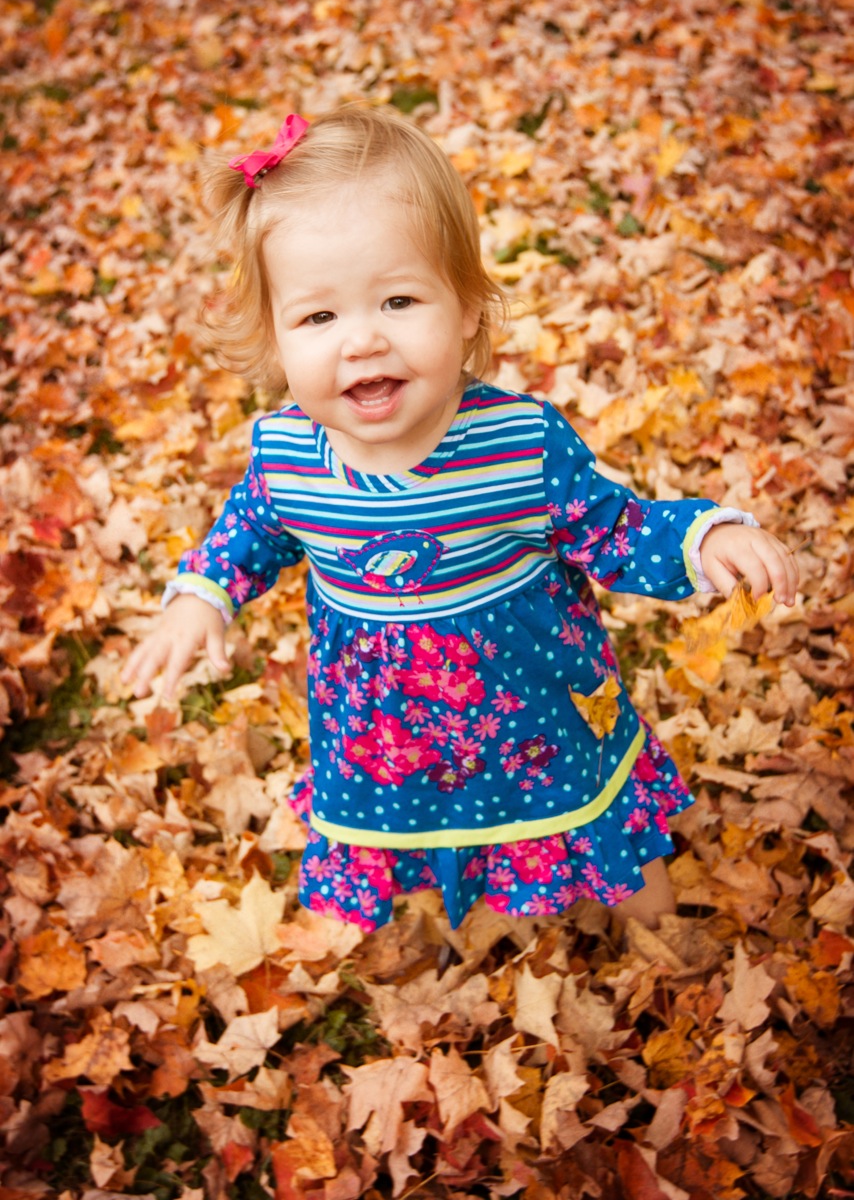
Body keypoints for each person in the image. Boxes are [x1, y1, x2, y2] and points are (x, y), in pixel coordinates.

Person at [121, 107, 798, 933]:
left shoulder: (515, 447)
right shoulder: (286, 458)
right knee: (419, 842)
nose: (362, 341)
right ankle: (461, 925)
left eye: (399, 300)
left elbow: (614, 530)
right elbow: (246, 537)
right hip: (382, 727)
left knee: (596, 826)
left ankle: (661, 950)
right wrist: (201, 597)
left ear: (468, 308)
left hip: (530, 708)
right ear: (275, 338)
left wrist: (706, 538)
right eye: (318, 318)